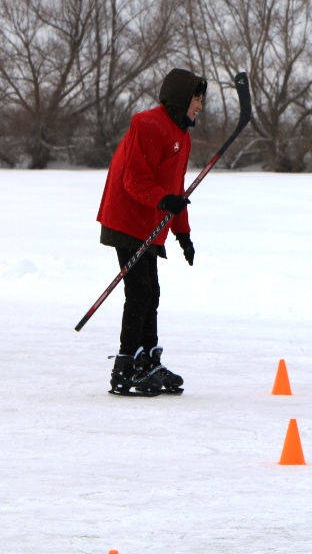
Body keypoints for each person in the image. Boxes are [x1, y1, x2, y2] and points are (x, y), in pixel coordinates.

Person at [96, 68, 206, 396]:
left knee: (151, 292)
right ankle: (125, 367)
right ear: (180, 97)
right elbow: (134, 180)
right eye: (196, 98)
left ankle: (148, 361)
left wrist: (182, 233)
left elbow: (176, 189)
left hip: (151, 221)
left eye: (202, 99)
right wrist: (164, 200)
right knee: (140, 290)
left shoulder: (181, 135)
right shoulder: (148, 124)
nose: (200, 105)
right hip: (127, 217)